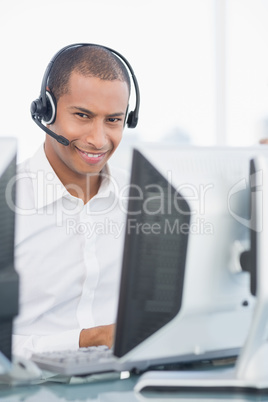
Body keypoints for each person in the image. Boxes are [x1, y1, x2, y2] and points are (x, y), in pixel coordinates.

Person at [13, 44, 137, 359]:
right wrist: (83, 340)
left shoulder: (141, 195)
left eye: (113, 120)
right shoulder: (8, 205)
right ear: (47, 110)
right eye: (83, 115)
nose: (98, 139)